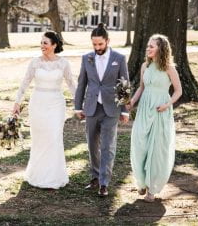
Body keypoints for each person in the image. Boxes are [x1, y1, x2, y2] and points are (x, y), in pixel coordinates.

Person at [12, 31, 76, 189]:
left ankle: (53, 176)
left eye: (45, 43)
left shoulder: (63, 63)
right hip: (38, 103)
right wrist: (17, 102)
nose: (42, 46)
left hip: (56, 104)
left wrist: (79, 104)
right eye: (41, 43)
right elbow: (24, 83)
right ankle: (37, 174)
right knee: (39, 139)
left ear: (54, 45)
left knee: (54, 136)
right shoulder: (35, 63)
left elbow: (71, 84)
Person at [74, 23, 129, 197]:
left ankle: (104, 183)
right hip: (91, 107)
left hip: (111, 109)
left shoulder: (119, 58)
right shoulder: (87, 58)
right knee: (92, 145)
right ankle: (95, 177)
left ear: (107, 41)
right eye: (94, 44)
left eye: (100, 44)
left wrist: (125, 110)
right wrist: (77, 107)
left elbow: (124, 85)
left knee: (107, 146)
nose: (97, 48)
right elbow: (81, 84)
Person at [127, 34, 182, 202]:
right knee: (140, 144)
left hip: (160, 110)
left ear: (161, 48)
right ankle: (142, 181)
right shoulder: (145, 66)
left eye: (152, 46)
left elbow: (179, 91)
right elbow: (141, 87)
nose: (148, 49)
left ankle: (151, 189)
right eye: (148, 46)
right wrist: (132, 101)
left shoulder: (169, 68)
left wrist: (167, 104)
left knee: (156, 149)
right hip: (144, 108)